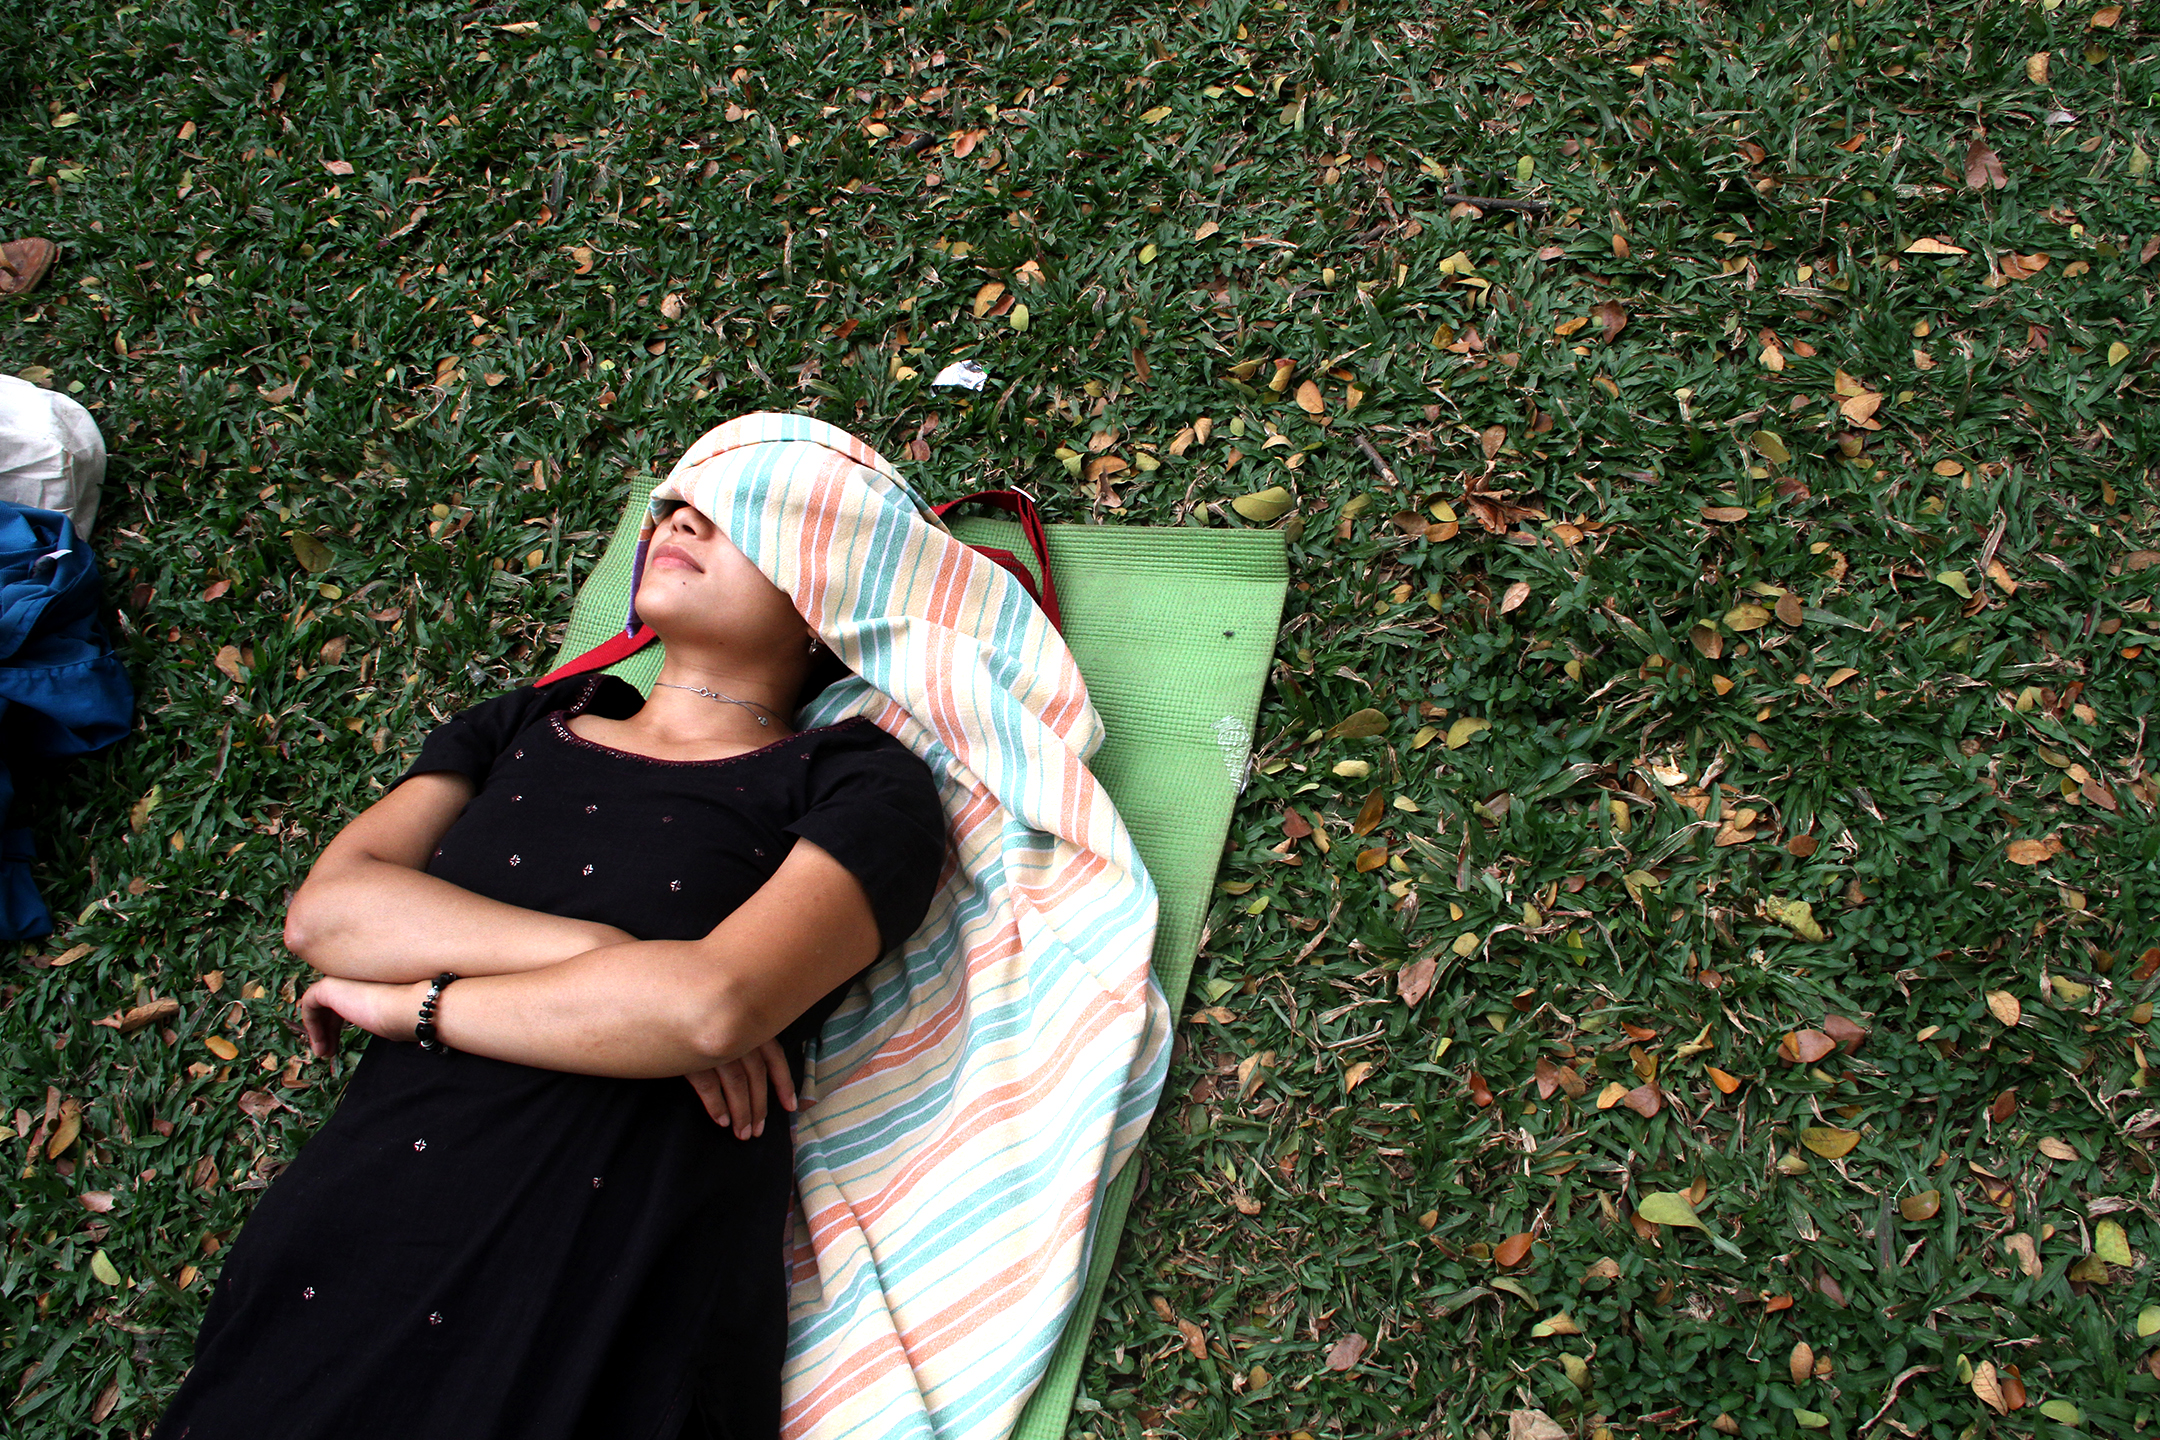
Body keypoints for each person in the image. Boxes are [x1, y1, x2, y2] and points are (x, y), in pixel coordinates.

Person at [150, 496, 948, 1440]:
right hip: (361, 1218)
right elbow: (329, 913)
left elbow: (710, 1008)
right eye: (675, 508)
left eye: (735, 515)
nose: (680, 524)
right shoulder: (535, 717)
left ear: (827, 592)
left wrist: (418, 1007)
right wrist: (606, 956)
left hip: (604, 1253)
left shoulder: (860, 780)